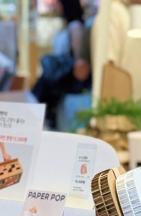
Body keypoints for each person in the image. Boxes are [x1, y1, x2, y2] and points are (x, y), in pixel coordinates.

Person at [32, 0, 90, 128]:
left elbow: (78, 60)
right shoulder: (67, 26)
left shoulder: (75, 27)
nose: (55, 6)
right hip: (60, 78)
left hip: (65, 79)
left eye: (58, 2)